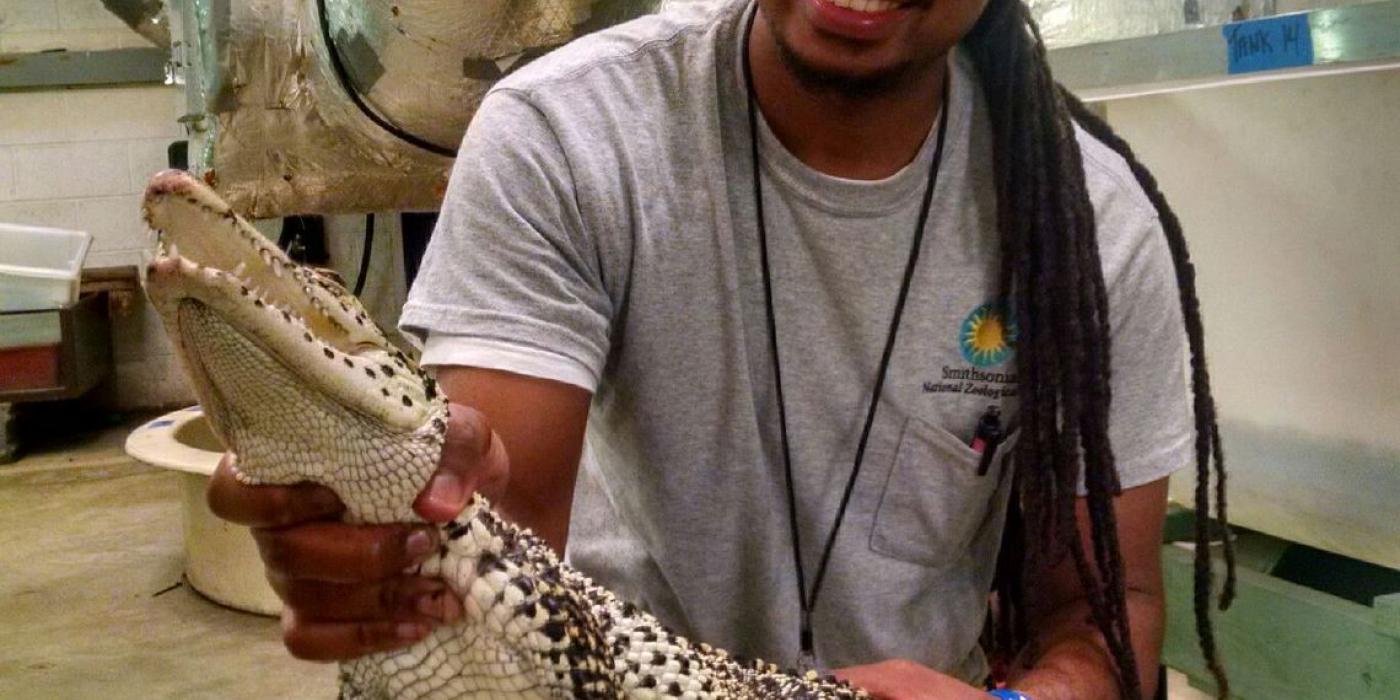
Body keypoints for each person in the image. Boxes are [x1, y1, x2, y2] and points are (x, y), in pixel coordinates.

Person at [208, 0, 1235, 698]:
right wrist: (386, 548)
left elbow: (1109, 607)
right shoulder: (568, 133)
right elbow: (491, 532)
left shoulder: (1084, 222)